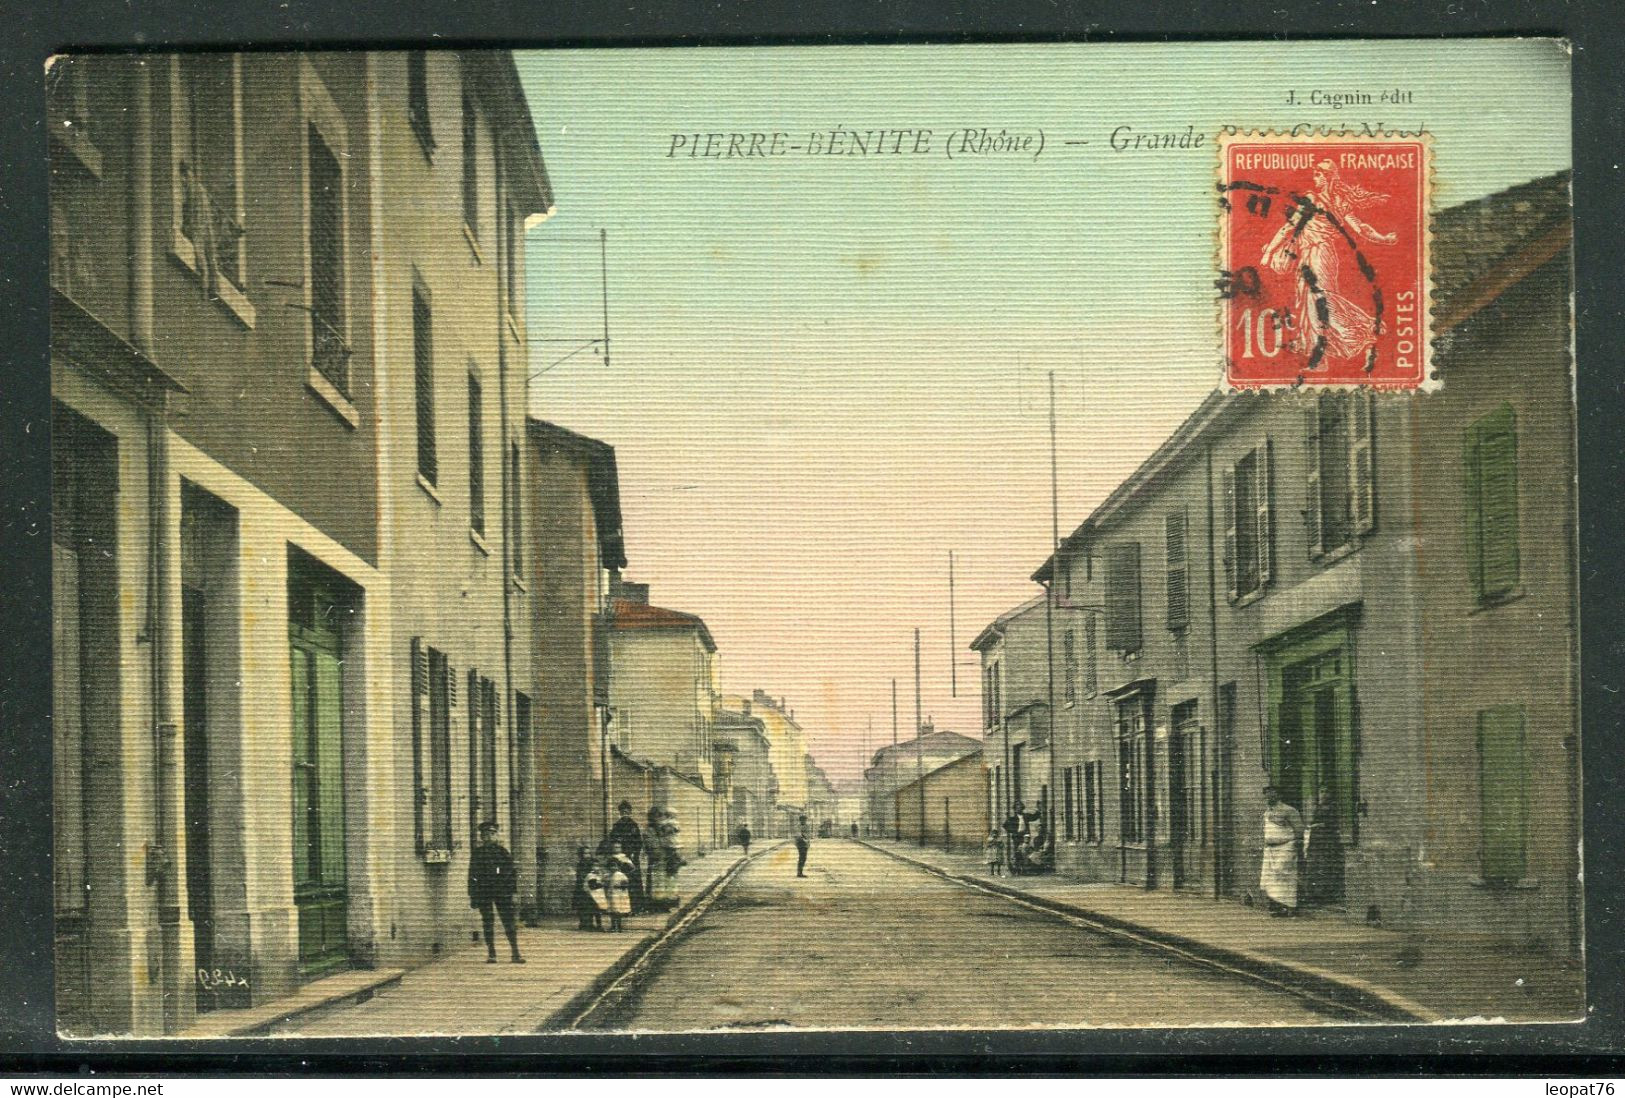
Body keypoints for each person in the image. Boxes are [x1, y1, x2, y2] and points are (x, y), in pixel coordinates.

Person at [1258, 160, 1397, 362]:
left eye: (1318, 175)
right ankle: (1315, 343)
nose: (1315, 179)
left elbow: (1289, 227)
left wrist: (1269, 252)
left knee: (1321, 298)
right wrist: (1382, 238)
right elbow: (1361, 228)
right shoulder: (1339, 202)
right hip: (1315, 254)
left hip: (1319, 254)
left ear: (1327, 178)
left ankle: (1359, 332)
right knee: (1311, 298)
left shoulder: (1313, 199)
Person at [468, 821, 525, 963]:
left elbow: (511, 873)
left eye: (492, 834)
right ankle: (491, 953)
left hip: (502, 892)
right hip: (484, 892)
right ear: (482, 837)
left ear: (496, 835)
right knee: (488, 922)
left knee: (509, 922)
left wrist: (513, 892)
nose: (488, 837)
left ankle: (515, 952)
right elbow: (472, 874)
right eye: (485, 834)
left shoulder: (503, 852)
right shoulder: (477, 854)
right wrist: (473, 895)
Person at [1259, 785, 1306, 917]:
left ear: (1279, 795)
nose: (1269, 796)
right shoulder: (1267, 812)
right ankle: (1277, 907)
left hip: (1285, 847)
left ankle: (1290, 907)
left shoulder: (1289, 810)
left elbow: (1299, 830)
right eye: (1267, 794)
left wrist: (1295, 846)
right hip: (1270, 850)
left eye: (1272, 794)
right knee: (1271, 879)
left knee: (1284, 876)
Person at [1303, 786, 1345, 909]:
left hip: (1326, 842)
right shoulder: (1318, 808)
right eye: (1321, 791)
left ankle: (1322, 896)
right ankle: (1313, 896)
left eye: (1326, 791)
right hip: (1315, 842)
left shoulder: (1331, 808)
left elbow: (1332, 824)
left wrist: (1318, 825)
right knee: (1313, 868)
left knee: (1323, 868)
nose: (1324, 794)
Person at [603, 800, 646, 914]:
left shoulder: (634, 825)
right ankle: (621, 908)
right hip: (620, 858)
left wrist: (634, 854)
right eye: (622, 812)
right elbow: (612, 839)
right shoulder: (617, 826)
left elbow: (639, 842)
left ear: (630, 812)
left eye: (627, 812)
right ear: (620, 813)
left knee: (634, 882)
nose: (625, 814)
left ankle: (637, 907)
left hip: (632, 857)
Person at [646, 808, 686, 912]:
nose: (657, 819)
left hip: (665, 858)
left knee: (668, 880)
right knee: (658, 882)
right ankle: (660, 904)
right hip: (657, 858)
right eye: (655, 817)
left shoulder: (663, 827)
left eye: (658, 817)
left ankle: (668, 903)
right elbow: (650, 843)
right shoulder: (652, 829)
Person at [572, 844, 601, 931]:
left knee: (592, 906)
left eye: (588, 853)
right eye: (585, 853)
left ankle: (591, 924)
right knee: (582, 907)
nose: (587, 855)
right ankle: (583, 923)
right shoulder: (580, 865)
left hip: (591, 887)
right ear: (581, 855)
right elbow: (580, 876)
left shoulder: (592, 863)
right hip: (582, 888)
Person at [605, 850, 633, 933]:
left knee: (617, 911)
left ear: (618, 866)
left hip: (618, 895)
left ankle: (618, 926)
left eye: (615, 866)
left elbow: (626, 883)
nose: (613, 868)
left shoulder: (620, 874)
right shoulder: (609, 875)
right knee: (612, 911)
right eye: (611, 866)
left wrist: (620, 886)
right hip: (611, 895)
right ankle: (613, 926)